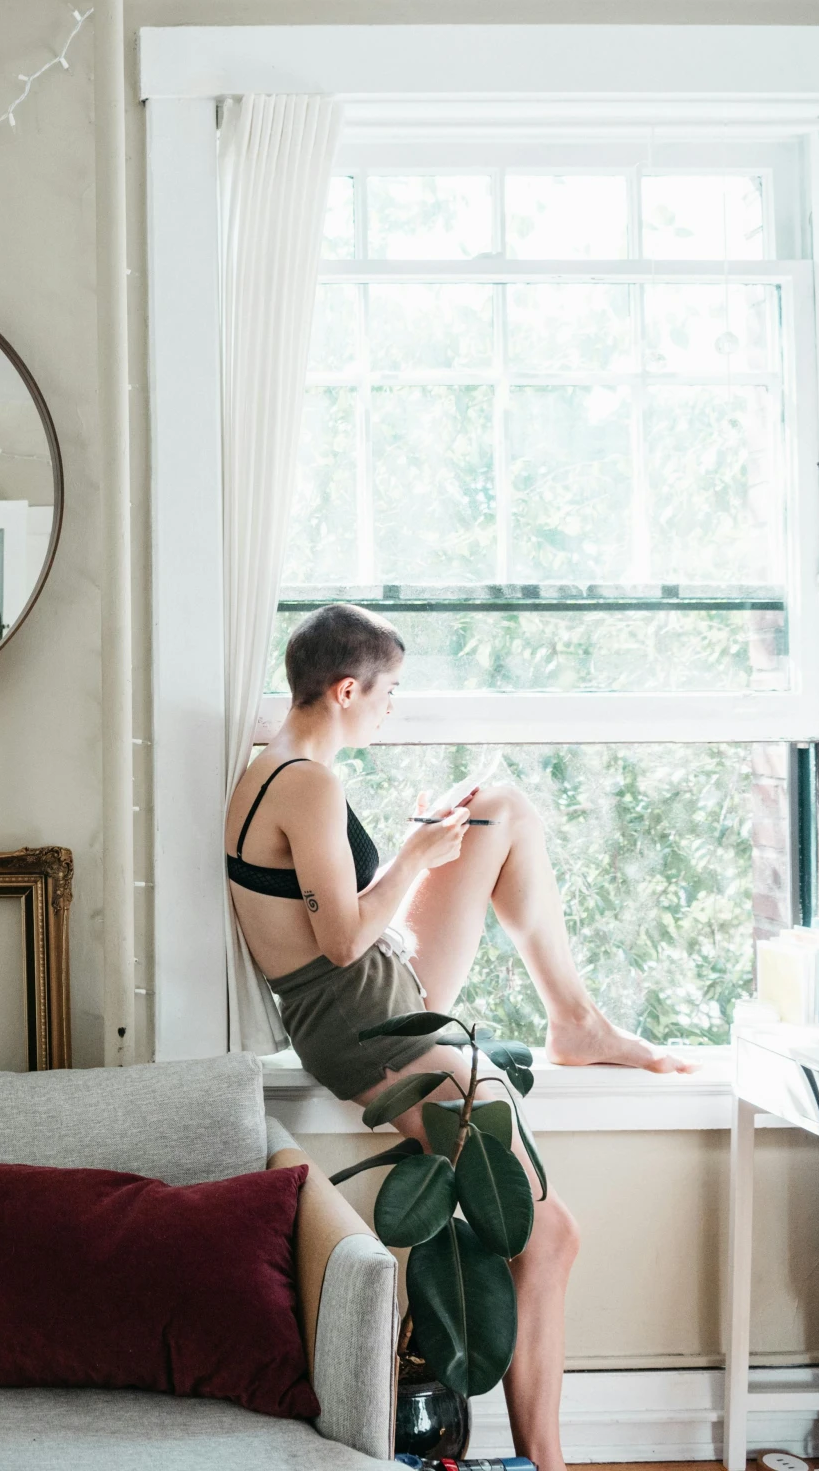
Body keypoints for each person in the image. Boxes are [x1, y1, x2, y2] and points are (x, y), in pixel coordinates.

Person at [225, 602, 687, 1471]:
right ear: (346, 688)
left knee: (499, 807)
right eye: (387, 692)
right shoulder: (307, 782)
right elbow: (339, 940)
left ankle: (577, 1022)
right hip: (368, 1024)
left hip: (370, 995)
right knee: (550, 1236)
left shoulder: (272, 763)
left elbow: (326, 913)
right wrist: (414, 858)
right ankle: (546, 1462)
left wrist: (418, 853)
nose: (391, 710)